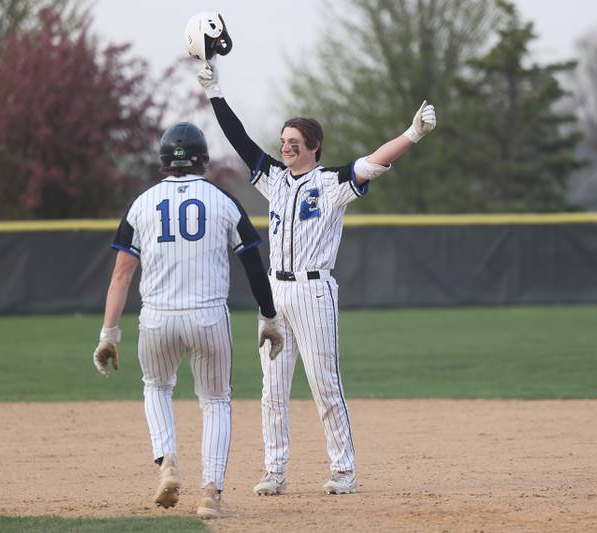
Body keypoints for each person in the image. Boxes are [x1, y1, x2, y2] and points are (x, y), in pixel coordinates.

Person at [197, 57, 436, 495]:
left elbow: (372, 163)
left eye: (293, 141)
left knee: (325, 384)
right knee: (272, 391)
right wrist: (215, 92)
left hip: (313, 290)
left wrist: (412, 134)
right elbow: (240, 140)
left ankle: (343, 471)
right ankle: (274, 470)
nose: (285, 146)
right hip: (275, 292)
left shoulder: (331, 182)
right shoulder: (273, 179)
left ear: (313, 145)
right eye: (284, 140)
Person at [92, 122, 283, 519]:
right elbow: (253, 267)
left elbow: (121, 275)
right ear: (203, 160)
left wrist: (109, 334)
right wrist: (268, 317)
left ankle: (167, 462)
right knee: (215, 401)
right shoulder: (223, 200)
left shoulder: (141, 203)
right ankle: (210, 492)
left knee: (156, 388)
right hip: (209, 315)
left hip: (157, 318)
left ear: (164, 162)